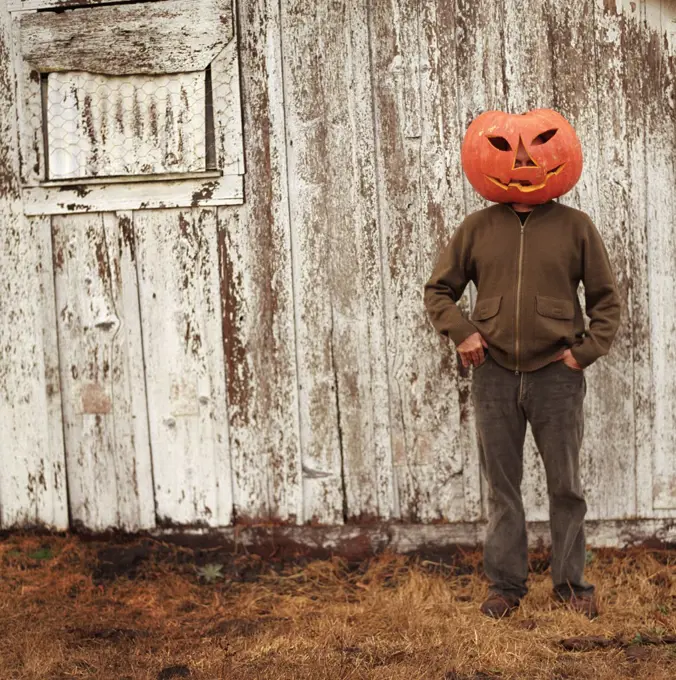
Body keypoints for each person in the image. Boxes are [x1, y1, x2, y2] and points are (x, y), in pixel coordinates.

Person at [424, 112, 621, 619]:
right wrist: (462, 331)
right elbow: (439, 292)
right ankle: (506, 588)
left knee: (566, 486)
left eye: (534, 155)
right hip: (493, 374)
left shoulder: (577, 227)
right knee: (502, 488)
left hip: (557, 375)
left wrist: (585, 352)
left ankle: (572, 587)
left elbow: (606, 301)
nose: (523, 165)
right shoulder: (476, 228)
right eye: (511, 155)